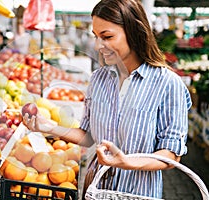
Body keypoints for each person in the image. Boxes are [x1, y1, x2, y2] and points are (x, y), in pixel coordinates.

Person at [22, 0, 192, 199]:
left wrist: (125, 162)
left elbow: (172, 155)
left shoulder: (168, 84)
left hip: (138, 193)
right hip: (96, 190)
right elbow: (89, 136)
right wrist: (49, 128)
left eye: (107, 37)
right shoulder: (98, 79)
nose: (98, 45)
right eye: (96, 36)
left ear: (134, 32)